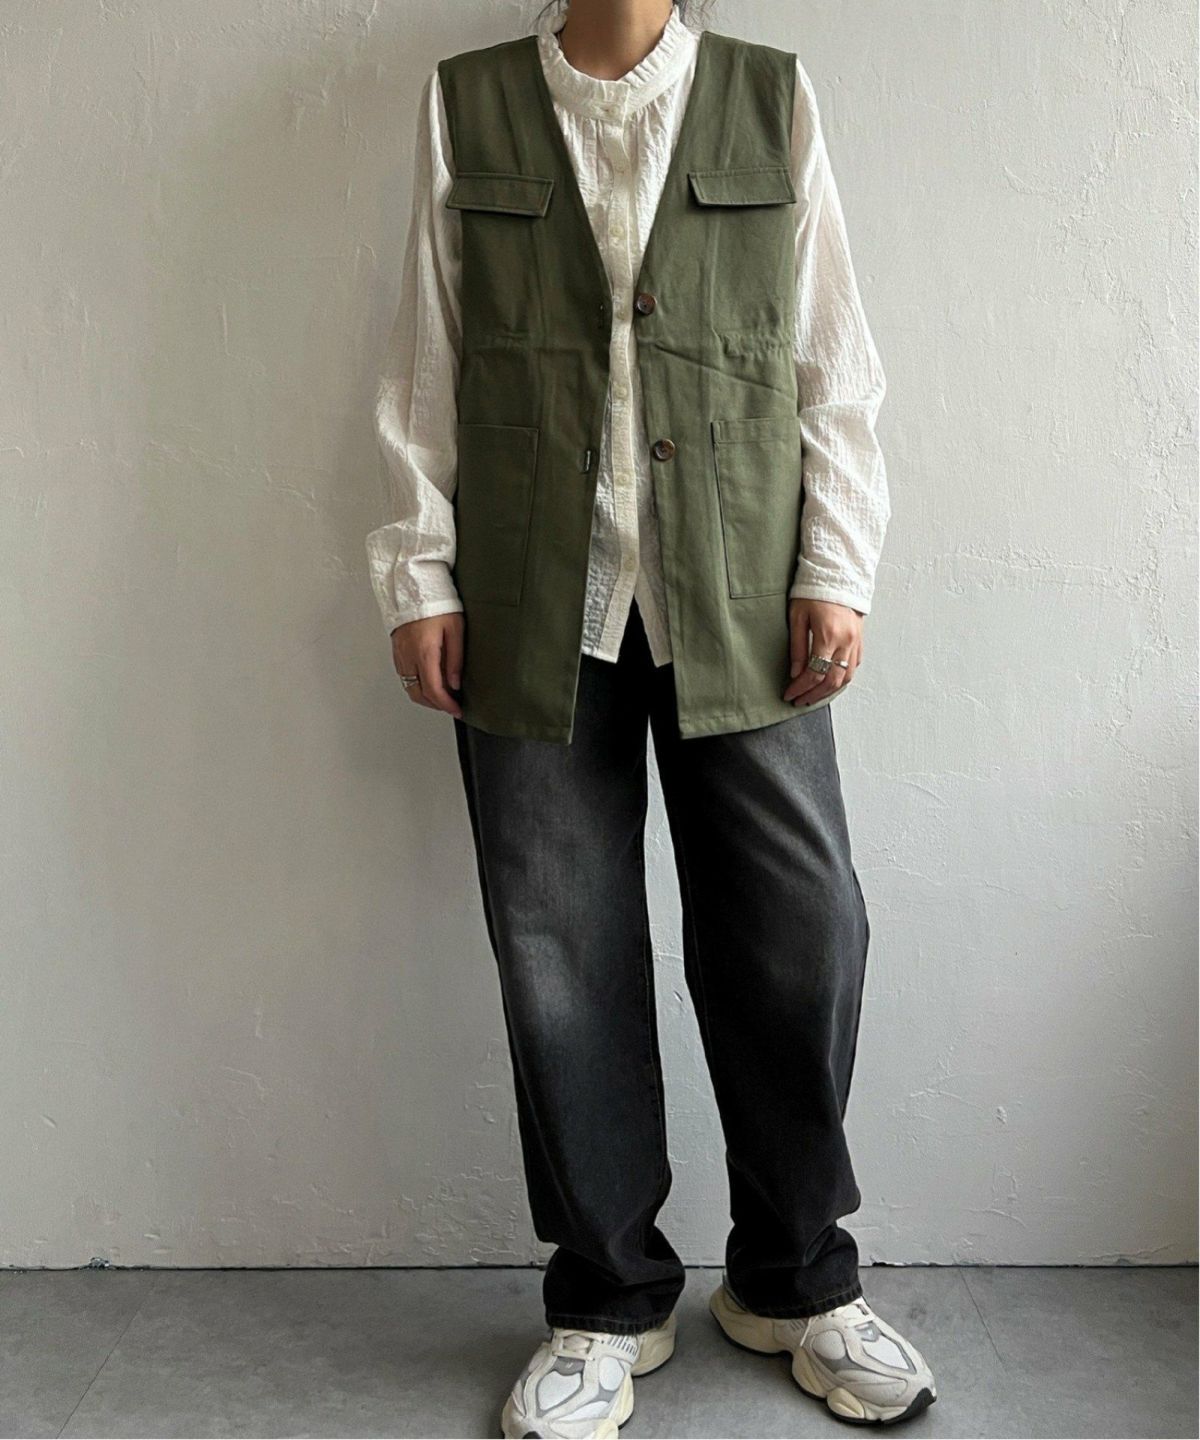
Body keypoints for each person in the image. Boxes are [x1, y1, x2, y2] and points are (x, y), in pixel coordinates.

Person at [366, 0, 937, 1432]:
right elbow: (427, 349)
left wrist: (836, 566)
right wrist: (417, 569)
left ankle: (795, 1279)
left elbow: (831, 352)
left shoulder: (768, 97)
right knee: (560, 950)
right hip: (529, 586)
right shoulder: (467, 103)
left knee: (803, 928)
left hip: (739, 584)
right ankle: (606, 1298)